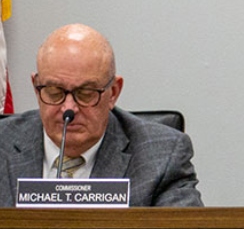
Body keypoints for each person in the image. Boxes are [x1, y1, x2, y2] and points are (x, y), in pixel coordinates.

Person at [0, 24, 202, 207]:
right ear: (37, 88)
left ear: (113, 92)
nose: (68, 108)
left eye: (86, 94)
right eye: (54, 92)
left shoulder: (162, 157)